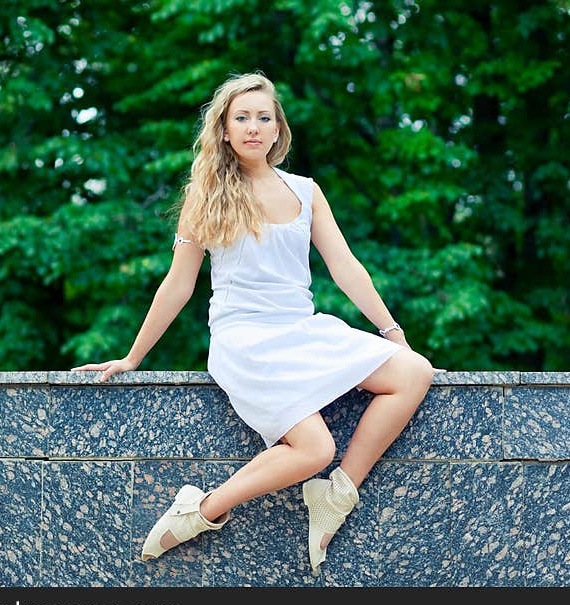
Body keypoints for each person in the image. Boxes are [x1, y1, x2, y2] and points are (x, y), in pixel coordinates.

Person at [71, 71, 443, 575]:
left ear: (277, 129)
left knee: (413, 372)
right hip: (244, 339)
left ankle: (338, 494)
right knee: (314, 447)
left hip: (303, 330)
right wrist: (133, 357)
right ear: (224, 129)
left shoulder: (306, 191)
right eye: (240, 117)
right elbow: (178, 285)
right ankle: (201, 509)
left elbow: (345, 266)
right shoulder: (205, 197)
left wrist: (392, 332)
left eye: (262, 117)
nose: (252, 126)